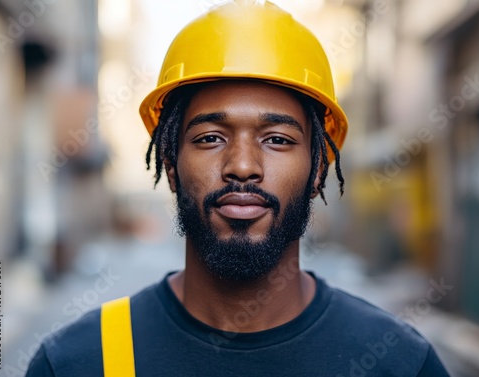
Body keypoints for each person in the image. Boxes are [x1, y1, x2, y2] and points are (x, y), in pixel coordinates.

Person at [26, 1, 450, 376]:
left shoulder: (399, 364)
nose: (243, 166)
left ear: (318, 169)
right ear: (171, 166)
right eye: (210, 137)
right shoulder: (78, 362)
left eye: (277, 139)